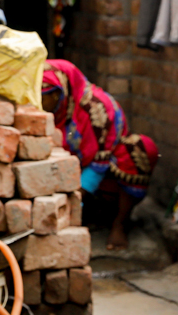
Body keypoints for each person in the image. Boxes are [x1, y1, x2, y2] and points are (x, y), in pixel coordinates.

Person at [40, 59, 159, 250]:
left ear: (61, 91)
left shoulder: (97, 109)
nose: (40, 103)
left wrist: (68, 203)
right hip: (64, 176)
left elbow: (98, 165)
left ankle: (120, 223)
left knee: (141, 149)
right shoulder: (39, 109)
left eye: (46, 96)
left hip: (101, 176)